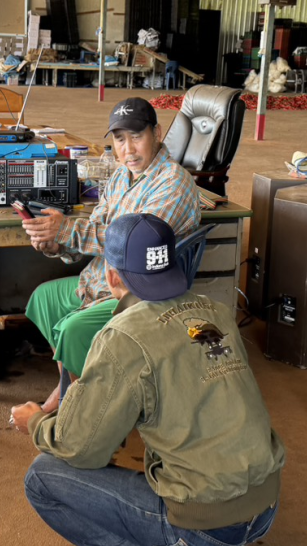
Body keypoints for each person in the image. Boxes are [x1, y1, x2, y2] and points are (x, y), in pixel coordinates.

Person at [11, 214, 285, 546]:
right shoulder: (216, 311)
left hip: (202, 526)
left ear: (111, 277)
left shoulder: (122, 336)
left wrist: (36, 421)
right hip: (266, 506)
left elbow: (80, 449)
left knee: (41, 477)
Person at [20, 97, 200, 413]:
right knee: (43, 299)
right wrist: (58, 245)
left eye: (137, 136)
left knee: (73, 330)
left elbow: (134, 245)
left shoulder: (174, 182)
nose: (128, 149)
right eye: (119, 139)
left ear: (157, 133)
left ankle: (81, 406)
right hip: (99, 280)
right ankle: (75, 385)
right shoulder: (119, 177)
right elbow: (95, 227)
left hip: (138, 293)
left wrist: (66, 230)